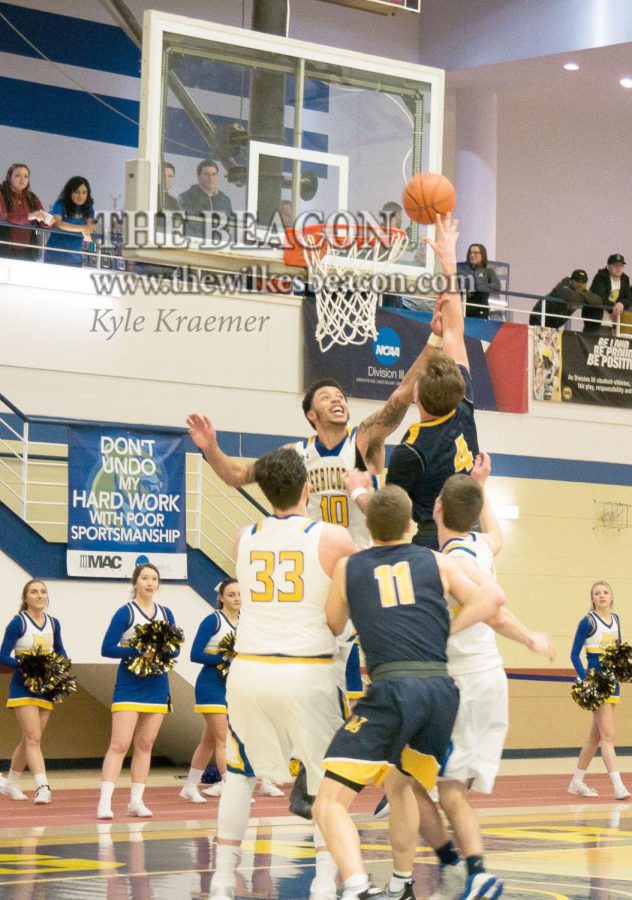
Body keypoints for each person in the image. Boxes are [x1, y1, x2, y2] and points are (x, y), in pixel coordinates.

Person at [312, 484, 506, 900]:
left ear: (367, 525)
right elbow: (491, 598)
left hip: (393, 689)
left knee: (327, 803)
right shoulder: (437, 561)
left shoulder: (349, 566)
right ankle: (402, 883)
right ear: (410, 524)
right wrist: (446, 629)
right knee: (400, 785)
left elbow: (331, 624)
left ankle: (357, 887)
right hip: (440, 692)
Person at [208, 447, 356, 900]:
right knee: (325, 781)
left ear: (264, 489)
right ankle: (324, 882)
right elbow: (338, 618)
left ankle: (220, 880)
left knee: (239, 775)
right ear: (307, 487)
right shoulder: (333, 538)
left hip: (249, 669)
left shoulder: (242, 537)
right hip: (305, 669)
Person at [423, 455, 555, 900]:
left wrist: (527, 637)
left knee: (445, 789)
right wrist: (482, 486)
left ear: (437, 507)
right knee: (446, 787)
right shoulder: (479, 543)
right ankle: (465, 868)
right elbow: (496, 535)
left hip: (464, 680)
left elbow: (493, 605)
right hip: (485, 676)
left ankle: (472, 872)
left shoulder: (456, 557)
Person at [386, 214, 479, 550]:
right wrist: (449, 262)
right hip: (472, 531)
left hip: (430, 537)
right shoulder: (463, 404)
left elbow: (390, 509)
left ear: (417, 399)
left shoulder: (412, 450)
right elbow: (455, 327)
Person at [97, 563, 179, 820]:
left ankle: (136, 801)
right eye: (145, 578)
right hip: (129, 684)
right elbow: (107, 648)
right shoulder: (126, 612)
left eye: (154, 578)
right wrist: (137, 651)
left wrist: (163, 651)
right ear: (135, 582)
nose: (150, 583)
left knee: (145, 744)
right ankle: (105, 802)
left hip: (157, 684)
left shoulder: (166, 613)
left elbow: (175, 649)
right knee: (119, 744)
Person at [0, 579, 67, 805]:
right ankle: (43, 786)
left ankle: (9, 783)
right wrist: (26, 665)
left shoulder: (54, 623)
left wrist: (58, 668)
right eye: (34, 592)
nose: (39, 595)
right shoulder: (18, 623)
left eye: (42, 592)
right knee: (34, 738)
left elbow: (61, 651)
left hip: (45, 688)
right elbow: (2, 655)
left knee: (28, 739)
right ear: (26, 597)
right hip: (22, 687)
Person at [568, 581, 630, 801]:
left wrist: (623, 668)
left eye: (605, 592)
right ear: (592, 598)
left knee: (595, 737)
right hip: (597, 683)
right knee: (608, 736)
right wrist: (585, 680)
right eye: (597, 593)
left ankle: (576, 782)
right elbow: (574, 654)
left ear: (611, 597)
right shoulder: (587, 622)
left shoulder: (616, 620)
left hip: (613, 681)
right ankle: (618, 786)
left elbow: (618, 650)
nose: (602, 596)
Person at [181, 578, 241, 804]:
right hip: (210, 686)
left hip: (232, 688)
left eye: (239, 594)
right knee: (224, 738)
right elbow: (195, 654)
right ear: (221, 597)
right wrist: (224, 658)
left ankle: (189, 786)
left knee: (208, 741)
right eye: (232, 594)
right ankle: (230, 785)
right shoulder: (212, 621)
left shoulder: (245, 622)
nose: (236, 598)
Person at [0, 163, 49, 260]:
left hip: (28, 251)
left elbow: (44, 219)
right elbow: (3, 216)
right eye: (18, 175)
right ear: (9, 177)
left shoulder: (32, 197)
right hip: (4, 248)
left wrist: (48, 221)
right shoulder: (1, 194)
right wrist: (29, 216)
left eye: (26, 176)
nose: (22, 180)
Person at [43, 176, 95, 267]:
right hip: (54, 256)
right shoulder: (60, 204)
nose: (81, 196)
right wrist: (82, 228)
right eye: (76, 192)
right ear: (70, 192)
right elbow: (58, 223)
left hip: (75, 258)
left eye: (84, 192)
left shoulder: (89, 209)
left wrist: (85, 229)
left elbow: (90, 228)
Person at [529, 269, 601, 329]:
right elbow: (570, 295)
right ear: (571, 281)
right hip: (539, 317)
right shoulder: (562, 286)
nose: (580, 285)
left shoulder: (582, 291)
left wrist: (582, 296)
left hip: (554, 323)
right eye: (578, 281)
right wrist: (585, 298)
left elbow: (598, 301)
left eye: (583, 282)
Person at [583, 254, 632, 333]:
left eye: (621, 265)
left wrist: (622, 304)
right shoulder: (601, 277)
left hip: (610, 324)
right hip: (595, 322)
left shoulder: (625, 279)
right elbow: (599, 297)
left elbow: (628, 298)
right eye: (616, 265)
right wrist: (614, 307)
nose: (618, 268)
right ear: (608, 266)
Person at [458, 244, 500, 319]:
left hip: (480, 312)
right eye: (470, 253)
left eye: (476, 253)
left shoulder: (488, 271)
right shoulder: (462, 271)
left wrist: (479, 286)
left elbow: (497, 286)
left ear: (482, 255)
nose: (472, 255)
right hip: (462, 311)